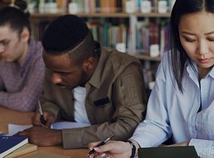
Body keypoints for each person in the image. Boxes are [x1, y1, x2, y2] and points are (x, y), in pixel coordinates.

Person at [88, 0, 214, 157]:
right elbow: (157, 123)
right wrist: (132, 147)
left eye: (213, 38)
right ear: (176, 33)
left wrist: (194, 147)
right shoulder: (171, 62)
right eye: (189, 39)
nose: (202, 51)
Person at [16, 15, 147, 149]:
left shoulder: (123, 70)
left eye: (63, 73)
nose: (54, 79)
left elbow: (129, 125)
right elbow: (49, 100)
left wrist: (59, 136)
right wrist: (49, 112)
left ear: (88, 63)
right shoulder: (56, 66)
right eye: (50, 70)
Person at [0, 0, 44, 112]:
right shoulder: (6, 63)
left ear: (25, 35)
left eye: (5, 43)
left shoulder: (41, 57)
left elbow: (26, 103)